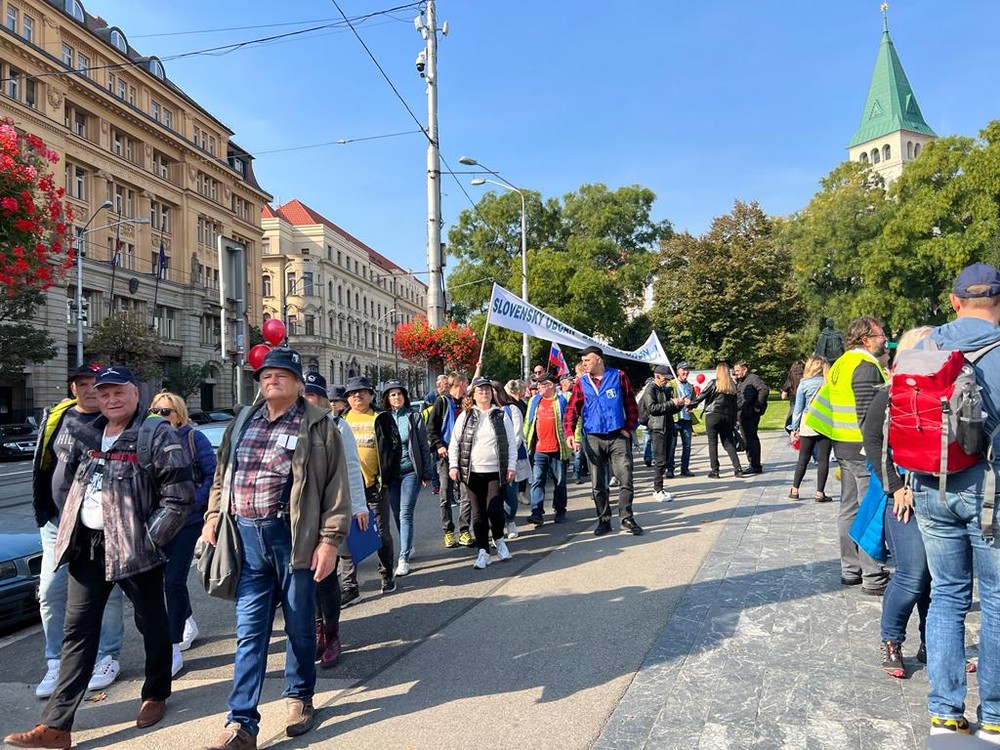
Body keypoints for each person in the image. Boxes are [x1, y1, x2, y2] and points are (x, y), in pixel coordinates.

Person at [5, 367, 194, 749]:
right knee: (77, 633)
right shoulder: (89, 432)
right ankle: (57, 726)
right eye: (103, 393)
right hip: (87, 547)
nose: (110, 399)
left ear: (135, 393)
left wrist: (148, 541)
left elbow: (179, 498)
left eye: (118, 392)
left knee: (151, 621)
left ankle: (155, 693)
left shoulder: (156, 433)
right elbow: (70, 481)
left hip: (135, 549)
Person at [200, 348, 351, 749]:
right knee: (249, 632)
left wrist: (330, 542)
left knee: (300, 625)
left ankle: (300, 696)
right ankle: (241, 723)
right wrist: (213, 514)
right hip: (247, 539)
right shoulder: (243, 420)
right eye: (266, 374)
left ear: (299, 382)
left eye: (282, 374)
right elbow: (222, 473)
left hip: (294, 538)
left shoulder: (320, 425)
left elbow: (337, 489)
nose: (272, 379)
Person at [910, 264, 1000, 740]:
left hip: (929, 487)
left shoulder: (923, 347)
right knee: (998, 602)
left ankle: (944, 713)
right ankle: (994, 717)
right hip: (988, 492)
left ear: (954, 300)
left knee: (946, 595)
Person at [30, 363, 125, 700]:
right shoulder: (57, 418)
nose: (89, 390)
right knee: (51, 592)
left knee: (108, 593)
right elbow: (44, 463)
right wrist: (42, 508)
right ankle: (55, 660)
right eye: (82, 384)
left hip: (100, 525)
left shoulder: (117, 422)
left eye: (95, 385)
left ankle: (107, 656)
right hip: (57, 523)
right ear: (73, 388)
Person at [859, 327, 933, 681]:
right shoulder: (888, 394)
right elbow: (873, 441)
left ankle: (935, 644)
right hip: (903, 495)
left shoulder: (947, 389)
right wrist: (897, 486)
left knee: (939, 580)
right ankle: (892, 640)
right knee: (913, 573)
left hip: (942, 495)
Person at [804, 315, 890, 595]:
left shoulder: (841, 364)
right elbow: (869, 416)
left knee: (849, 508)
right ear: (866, 339)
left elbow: (826, 406)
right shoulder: (864, 366)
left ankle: (850, 569)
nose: (885, 339)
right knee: (870, 509)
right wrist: (877, 452)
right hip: (863, 449)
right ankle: (873, 575)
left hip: (844, 445)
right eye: (881, 335)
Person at [148, 390, 217, 677]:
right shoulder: (148, 439)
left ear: (179, 413)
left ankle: (173, 644)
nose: (160, 416)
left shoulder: (193, 438)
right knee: (166, 579)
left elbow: (213, 476)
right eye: (155, 410)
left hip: (186, 521)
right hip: (156, 522)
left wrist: (193, 503)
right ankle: (187, 619)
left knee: (173, 580)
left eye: (165, 411)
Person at [303, 371, 368, 669]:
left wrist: (359, 506)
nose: (309, 401)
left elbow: (351, 468)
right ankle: (316, 630)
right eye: (305, 394)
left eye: (315, 396)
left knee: (325, 576)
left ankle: (332, 633)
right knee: (306, 578)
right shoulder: (287, 426)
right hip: (297, 517)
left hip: (327, 511)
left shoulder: (337, 427)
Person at [563, 346, 643, 536]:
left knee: (626, 477)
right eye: (582, 361)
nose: (584, 364)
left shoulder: (619, 376)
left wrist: (628, 428)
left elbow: (631, 404)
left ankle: (627, 518)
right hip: (593, 437)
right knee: (598, 483)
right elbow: (572, 409)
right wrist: (569, 432)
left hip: (617, 436)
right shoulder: (582, 383)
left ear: (598, 359)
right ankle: (604, 520)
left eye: (587, 360)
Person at [339, 376, 401, 603]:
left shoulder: (381, 418)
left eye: (362, 392)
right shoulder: (340, 420)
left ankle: (386, 574)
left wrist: (386, 479)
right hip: (346, 490)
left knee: (381, 534)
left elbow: (394, 449)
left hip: (375, 486)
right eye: (353, 393)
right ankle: (349, 586)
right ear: (347, 398)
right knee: (347, 537)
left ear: (371, 395)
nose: (358, 396)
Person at [448, 377, 517, 569]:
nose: (484, 393)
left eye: (487, 390)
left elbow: (511, 443)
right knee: (478, 513)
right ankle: (483, 551)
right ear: (473, 395)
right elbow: (455, 443)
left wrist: (511, 466)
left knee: (494, 508)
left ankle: (499, 540)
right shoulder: (466, 416)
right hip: (473, 472)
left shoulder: (501, 415)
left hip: (496, 471)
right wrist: (454, 466)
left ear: (492, 393)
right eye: (480, 391)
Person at [382, 380, 434, 576]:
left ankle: (403, 557)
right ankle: (408, 545)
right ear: (387, 398)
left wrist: (426, 472)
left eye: (399, 394)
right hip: (391, 474)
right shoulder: (383, 418)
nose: (396, 397)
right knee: (396, 514)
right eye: (392, 394)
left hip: (410, 471)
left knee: (405, 513)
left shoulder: (414, 416)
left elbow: (423, 446)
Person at [427, 371, 473, 547]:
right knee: (445, 492)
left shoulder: (465, 402)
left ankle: (464, 530)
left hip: (464, 454)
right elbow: (431, 428)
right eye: (466, 382)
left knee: (465, 493)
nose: (467, 385)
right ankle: (448, 531)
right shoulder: (442, 401)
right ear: (460, 383)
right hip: (446, 455)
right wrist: (439, 445)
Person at [523, 372, 570, 523]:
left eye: (541, 385)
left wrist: (574, 439)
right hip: (539, 450)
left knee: (560, 482)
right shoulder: (534, 400)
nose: (537, 387)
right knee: (537, 480)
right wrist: (526, 440)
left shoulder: (563, 399)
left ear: (550, 385)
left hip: (558, 449)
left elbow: (572, 420)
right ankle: (537, 512)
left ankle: (560, 510)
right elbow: (528, 422)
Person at [688, 363, 746, 479]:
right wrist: (734, 419)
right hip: (727, 417)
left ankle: (715, 470)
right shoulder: (732, 386)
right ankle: (738, 468)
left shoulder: (714, 383)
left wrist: (691, 404)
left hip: (713, 415)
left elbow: (702, 396)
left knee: (712, 443)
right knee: (728, 443)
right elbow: (735, 405)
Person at [788, 356, 833, 502]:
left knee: (803, 458)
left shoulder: (804, 384)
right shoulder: (829, 383)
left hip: (808, 421)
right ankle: (820, 492)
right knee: (823, 459)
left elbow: (798, 409)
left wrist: (794, 428)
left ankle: (795, 489)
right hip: (825, 422)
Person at [639, 365, 685, 502]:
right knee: (660, 460)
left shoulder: (663, 389)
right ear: (657, 376)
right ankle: (657, 489)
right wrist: (672, 403)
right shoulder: (650, 389)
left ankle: (661, 488)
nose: (667, 381)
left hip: (667, 426)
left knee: (665, 459)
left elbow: (667, 411)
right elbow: (653, 409)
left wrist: (680, 404)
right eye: (665, 379)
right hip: (658, 428)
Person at [733, 362, 769, 474]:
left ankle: (755, 465)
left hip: (750, 414)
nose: (735, 373)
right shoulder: (741, 381)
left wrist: (757, 405)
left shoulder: (753, 378)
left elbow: (764, 390)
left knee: (751, 438)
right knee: (747, 438)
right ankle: (752, 463)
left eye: (737, 371)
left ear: (744, 369)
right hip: (742, 413)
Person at [671, 362, 696, 477]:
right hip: (674, 418)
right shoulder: (671, 384)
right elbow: (665, 400)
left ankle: (684, 468)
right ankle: (670, 469)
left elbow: (695, 401)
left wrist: (691, 404)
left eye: (687, 370)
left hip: (686, 419)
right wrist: (676, 401)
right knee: (672, 445)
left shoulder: (690, 386)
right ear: (677, 371)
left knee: (687, 445)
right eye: (683, 369)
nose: (686, 372)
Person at [781, 359, 805, 432]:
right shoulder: (806, 378)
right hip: (806, 405)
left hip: (794, 403)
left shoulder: (790, 380)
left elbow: (783, 396)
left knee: (789, 426)